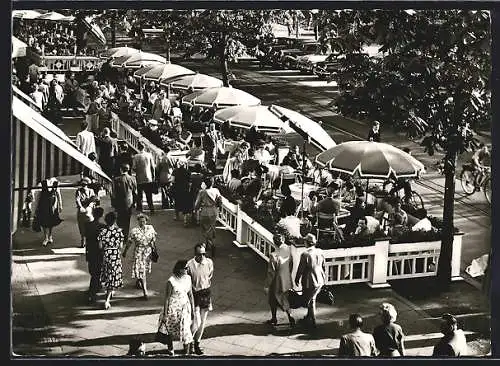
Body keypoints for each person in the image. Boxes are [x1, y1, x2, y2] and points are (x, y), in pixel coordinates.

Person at [156, 260, 195, 356]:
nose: (187, 270)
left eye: (187, 268)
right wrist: (165, 314)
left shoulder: (188, 278)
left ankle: (187, 353)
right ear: (179, 269)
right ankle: (170, 348)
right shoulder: (171, 281)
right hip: (172, 309)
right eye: (185, 268)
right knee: (169, 329)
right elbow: (167, 298)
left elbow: (190, 294)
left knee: (186, 330)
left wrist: (193, 309)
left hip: (185, 308)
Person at [186, 244, 214, 355]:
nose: (202, 256)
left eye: (204, 254)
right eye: (199, 254)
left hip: (206, 292)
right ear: (195, 254)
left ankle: (197, 343)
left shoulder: (209, 263)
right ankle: (188, 341)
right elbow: (187, 281)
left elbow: (210, 275)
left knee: (203, 322)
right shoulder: (189, 265)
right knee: (196, 321)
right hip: (195, 294)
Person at [123, 213, 157, 300]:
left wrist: (154, 249)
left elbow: (153, 239)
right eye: (140, 221)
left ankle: (139, 281)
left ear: (146, 221)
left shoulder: (151, 228)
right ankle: (145, 291)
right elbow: (129, 242)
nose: (142, 223)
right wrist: (125, 251)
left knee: (143, 269)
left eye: (144, 221)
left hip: (148, 252)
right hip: (139, 252)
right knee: (142, 271)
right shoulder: (134, 231)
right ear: (138, 222)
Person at [295, 233, 326, 329]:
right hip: (320, 278)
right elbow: (324, 265)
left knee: (311, 300)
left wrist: (297, 278)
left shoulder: (305, 254)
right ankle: (309, 316)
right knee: (312, 298)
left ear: (306, 243)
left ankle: (313, 321)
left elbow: (301, 268)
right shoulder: (320, 252)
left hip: (310, 279)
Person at [264, 234, 296, 328]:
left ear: (274, 242)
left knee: (275, 299)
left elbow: (271, 273)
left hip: (276, 281)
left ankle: (284, 317)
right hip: (286, 279)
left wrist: (267, 285)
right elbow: (291, 264)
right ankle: (284, 317)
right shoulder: (288, 250)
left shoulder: (274, 255)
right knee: (283, 298)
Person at [98, 212, 125, 310]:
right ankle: (107, 300)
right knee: (113, 275)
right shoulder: (119, 232)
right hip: (115, 255)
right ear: (115, 221)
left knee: (108, 273)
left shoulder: (103, 231)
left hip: (106, 255)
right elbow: (121, 247)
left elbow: (100, 246)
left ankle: (110, 290)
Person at [194, 177, 222, 257]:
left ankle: (210, 243)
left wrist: (195, 209)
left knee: (204, 229)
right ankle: (209, 243)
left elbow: (197, 203)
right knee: (211, 228)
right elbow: (220, 201)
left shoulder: (202, 192)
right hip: (213, 211)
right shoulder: (216, 190)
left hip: (205, 211)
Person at [33, 178, 63, 246]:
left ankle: (50, 235)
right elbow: (38, 196)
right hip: (43, 204)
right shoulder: (42, 182)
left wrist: (60, 205)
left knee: (51, 221)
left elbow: (58, 194)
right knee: (44, 221)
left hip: (53, 205)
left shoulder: (56, 182)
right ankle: (46, 237)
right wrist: (35, 208)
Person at [112, 164, 137, 242]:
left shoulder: (116, 179)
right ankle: (125, 235)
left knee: (119, 219)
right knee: (127, 219)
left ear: (121, 170)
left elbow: (113, 194)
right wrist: (135, 202)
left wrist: (113, 204)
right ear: (128, 169)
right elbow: (135, 192)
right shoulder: (132, 179)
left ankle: (121, 234)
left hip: (119, 202)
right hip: (129, 202)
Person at [85, 207, 105, 303]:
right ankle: (92, 291)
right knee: (97, 271)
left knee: (93, 271)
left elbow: (86, 239)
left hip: (91, 251)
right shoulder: (103, 227)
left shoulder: (88, 225)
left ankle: (95, 287)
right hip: (99, 252)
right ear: (101, 215)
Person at [132, 142, 156, 213]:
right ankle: (151, 208)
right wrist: (153, 176)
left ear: (138, 147)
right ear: (144, 147)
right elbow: (152, 167)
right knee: (149, 194)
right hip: (148, 177)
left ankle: (140, 208)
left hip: (139, 178)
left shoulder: (136, 156)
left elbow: (134, 167)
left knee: (140, 194)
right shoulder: (149, 155)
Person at [75, 177, 97, 248]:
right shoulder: (78, 191)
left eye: (85, 185)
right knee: (81, 226)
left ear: (88, 184)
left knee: (90, 225)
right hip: (82, 211)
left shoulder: (91, 191)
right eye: (83, 184)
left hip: (89, 211)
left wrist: (89, 206)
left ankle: (88, 240)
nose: (84, 186)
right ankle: (83, 240)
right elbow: (77, 200)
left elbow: (93, 200)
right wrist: (81, 207)